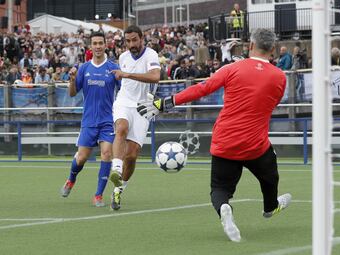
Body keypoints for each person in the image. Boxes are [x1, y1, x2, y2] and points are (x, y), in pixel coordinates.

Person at [137, 28, 292, 242]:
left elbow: (202, 89)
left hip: (225, 141)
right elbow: (271, 103)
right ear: (273, 50)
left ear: (250, 46)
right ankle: (270, 207)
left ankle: (224, 208)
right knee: (271, 176)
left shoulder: (232, 68)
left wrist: (164, 102)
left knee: (219, 189)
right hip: (255, 145)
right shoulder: (279, 77)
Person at [60, 31, 121, 207]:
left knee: (107, 154)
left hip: (107, 121)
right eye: (95, 43)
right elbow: (72, 94)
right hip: (88, 122)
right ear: (90, 46)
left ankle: (98, 195)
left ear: (105, 45)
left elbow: (123, 90)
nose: (98, 46)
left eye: (101, 43)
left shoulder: (112, 68)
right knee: (81, 158)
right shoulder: (84, 69)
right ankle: (71, 180)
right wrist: (71, 80)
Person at [110, 25, 161, 210]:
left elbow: (155, 76)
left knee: (131, 156)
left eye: (134, 40)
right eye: (128, 41)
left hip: (142, 108)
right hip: (124, 101)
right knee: (121, 128)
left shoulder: (151, 55)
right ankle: (115, 169)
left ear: (141, 38)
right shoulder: (123, 57)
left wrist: (127, 74)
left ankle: (118, 189)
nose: (131, 44)